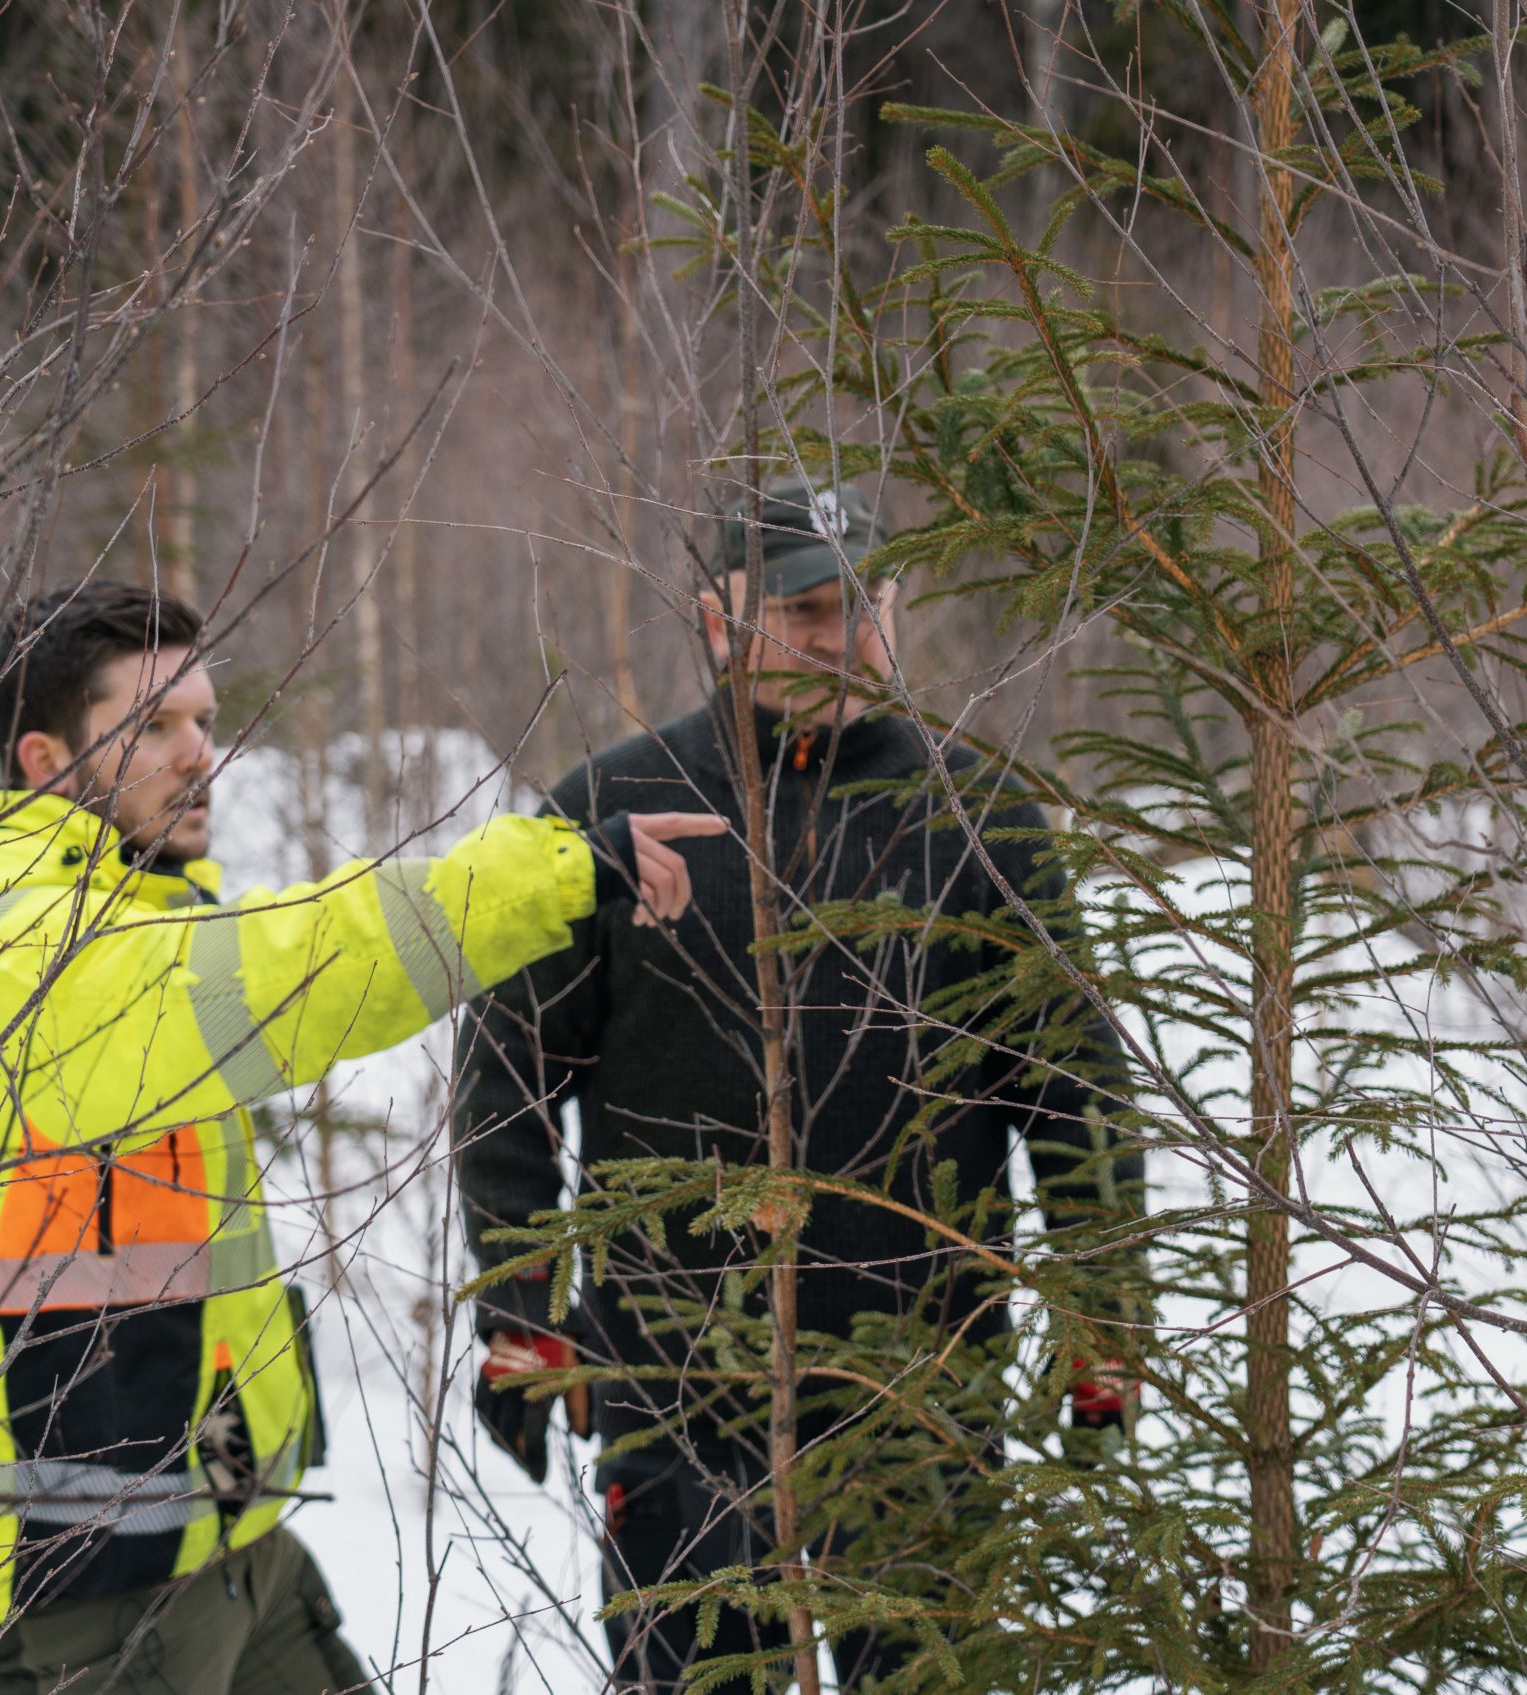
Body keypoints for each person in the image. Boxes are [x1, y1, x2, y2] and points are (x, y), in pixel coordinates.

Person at [0, 583, 722, 1695]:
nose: (199, 758)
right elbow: (296, 971)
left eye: (205, 723)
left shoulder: (110, 915)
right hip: (91, 1557)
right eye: (152, 728)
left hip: (206, 1523)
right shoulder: (22, 940)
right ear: (42, 762)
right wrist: (552, 871)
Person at [450, 480, 1140, 1692]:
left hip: (925, 1384)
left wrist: (1104, 1314)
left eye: (863, 603)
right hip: (678, 1388)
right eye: (804, 610)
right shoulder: (612, 807)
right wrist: (520, 1313)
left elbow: (1071, 1086)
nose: (843, 636)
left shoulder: (977, 816)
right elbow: (505, 1079)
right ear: (719, 622)